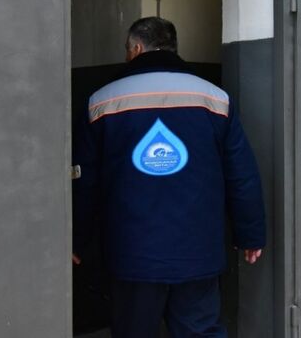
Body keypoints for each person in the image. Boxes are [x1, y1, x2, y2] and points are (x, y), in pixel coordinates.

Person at [72, 17, 266, 338]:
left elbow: (85, 182)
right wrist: (251, 234)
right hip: (198, 253)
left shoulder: (102, 102)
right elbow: (241, 174)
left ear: (136, 49)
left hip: (132, 256)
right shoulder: (215, 99)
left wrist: (76, 239)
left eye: (127, 49)